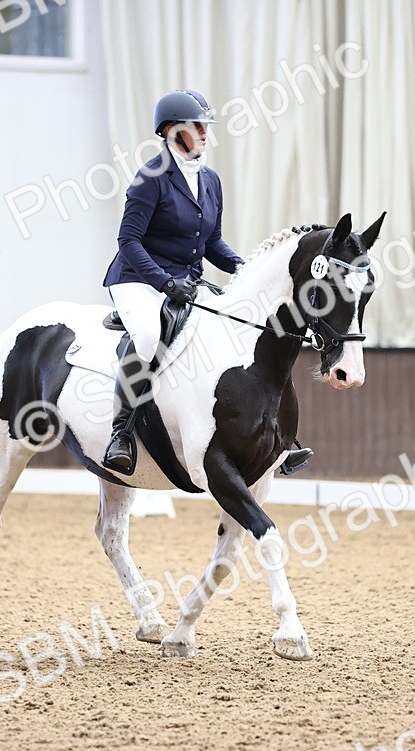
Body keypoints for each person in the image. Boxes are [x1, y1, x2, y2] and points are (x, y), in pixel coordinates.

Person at [100, 89, 244, 474]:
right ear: (171, 131)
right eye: (197, 127)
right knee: (148, 336)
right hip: (137, 279)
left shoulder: (210, 180)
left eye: (205, 127)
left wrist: (243, 268)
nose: (205, 134)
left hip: (184, 281)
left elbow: (212, 242)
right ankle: (122, 431)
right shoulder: (151, 178)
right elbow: (128, 241)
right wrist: (164, 283)